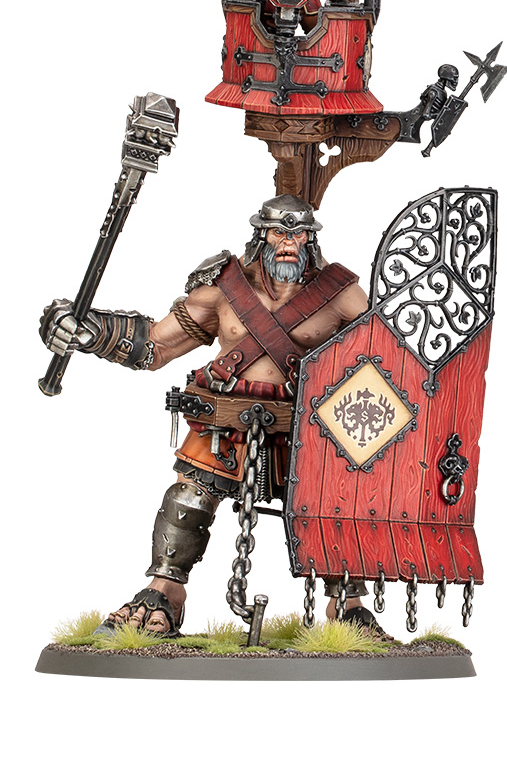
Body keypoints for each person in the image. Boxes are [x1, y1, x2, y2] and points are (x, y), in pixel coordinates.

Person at [40, 195, 380, 636]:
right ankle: (164, 593)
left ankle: (347, 606)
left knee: (334, 506)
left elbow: (383, 359)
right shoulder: (225, 286)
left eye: (298, 234)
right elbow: (158, 345)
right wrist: (90, 332)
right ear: (261, 235)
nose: (288, 244)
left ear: (311, 239)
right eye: (279, 233)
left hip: (306, 428)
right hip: (224, 420)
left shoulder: (340, 292)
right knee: (188, 500)